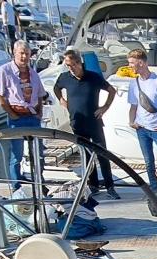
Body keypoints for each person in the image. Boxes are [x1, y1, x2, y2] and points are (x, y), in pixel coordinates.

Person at [54, 50, 118, 197]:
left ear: (79, 63)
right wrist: (61, 100)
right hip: (77, 122)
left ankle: (110, 186)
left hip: (94, 122)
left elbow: (112, 90)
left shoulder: (93, 77)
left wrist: (105, 107)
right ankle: (93, 184)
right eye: (68, 65)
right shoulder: (64, 77)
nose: (71, 68)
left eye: (73, 65)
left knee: (102, 154)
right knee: (86, 155)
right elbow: (56, 88)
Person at [0, 40, 48, 188]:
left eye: (27, 54)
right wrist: (11, 114)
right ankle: (16, 186)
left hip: (33, 117)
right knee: (17, 155)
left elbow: (40, 94)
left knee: (38, 153)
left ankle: (39, 182)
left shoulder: (33, 73)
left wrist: (40, 112)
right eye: (21, 53)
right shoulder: (4, 71)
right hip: (16, 118)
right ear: (14, 53)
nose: (24, 57)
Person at [125, 48, 157, 189]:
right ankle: (154, 189)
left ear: (141, 63)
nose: (129, 66)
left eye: (131, 63)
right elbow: (133, 106)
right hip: (142, 129)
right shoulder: (134, 83)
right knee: (149, 162)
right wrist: (131, 122)